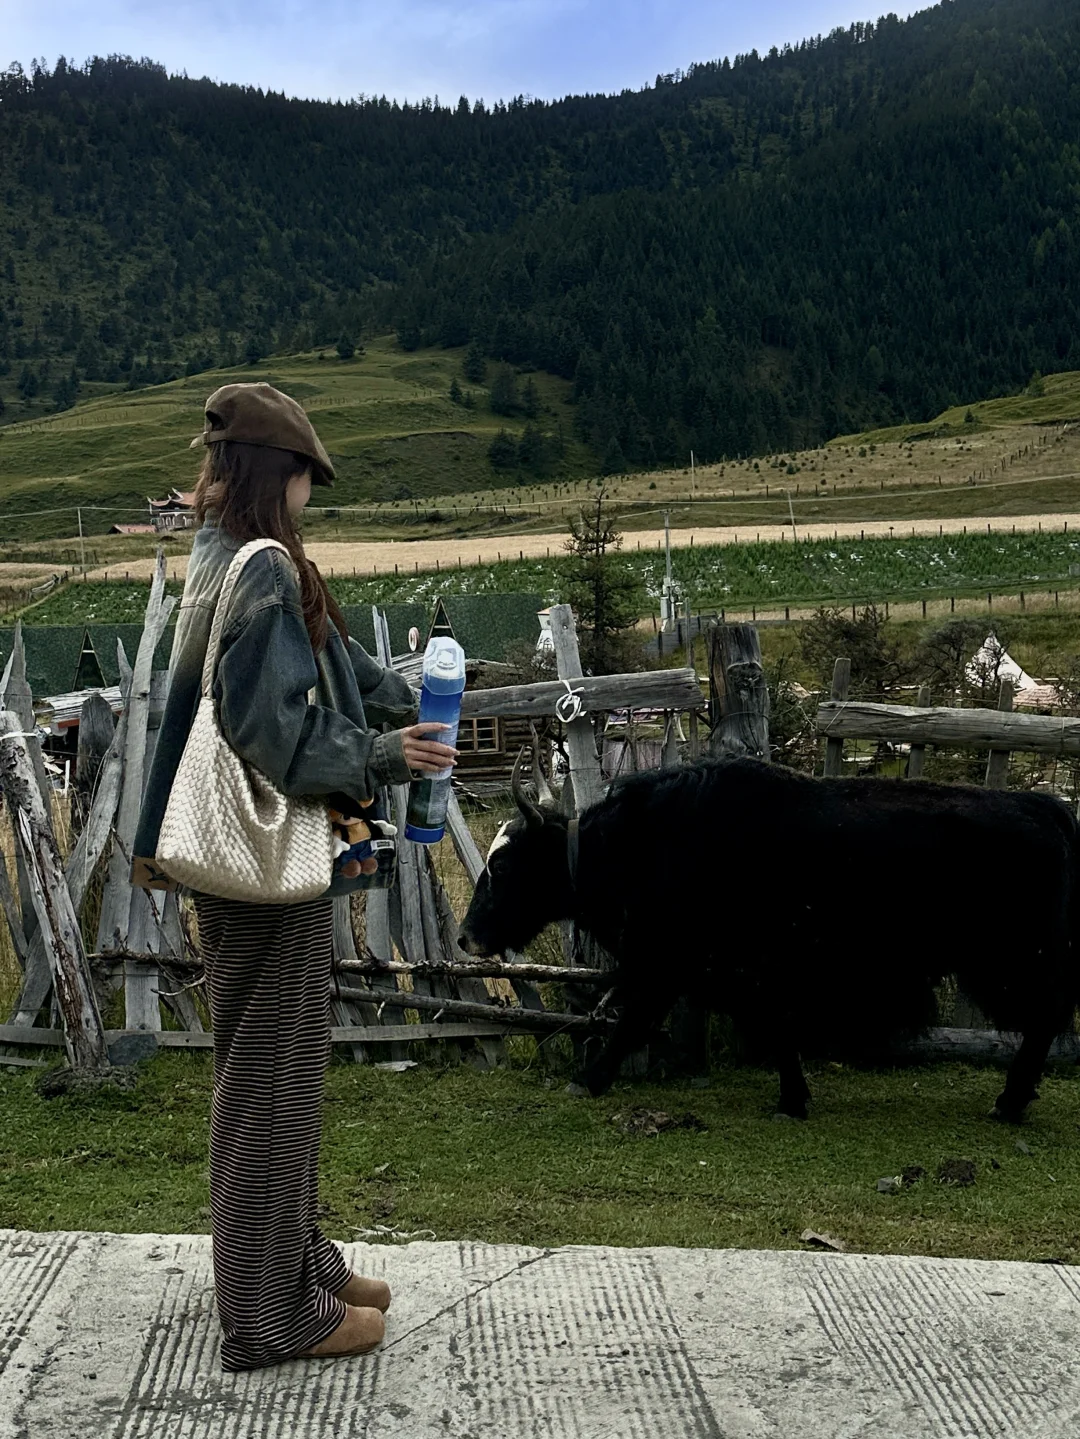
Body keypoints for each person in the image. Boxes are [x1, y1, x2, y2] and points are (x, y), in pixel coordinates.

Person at [132, 382, 457, 1370]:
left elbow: (334, 665)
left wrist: (411, 699)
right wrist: (388, 756)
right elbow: (277, 734)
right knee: (273, 1081)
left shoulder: (219, 553)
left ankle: (296, 1263)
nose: (314, 493)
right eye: (310, 477)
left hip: (225, 870)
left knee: (264, 1067)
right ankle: (272, 1316)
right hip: (266, 865)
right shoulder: (267, 566)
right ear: (284, 476)